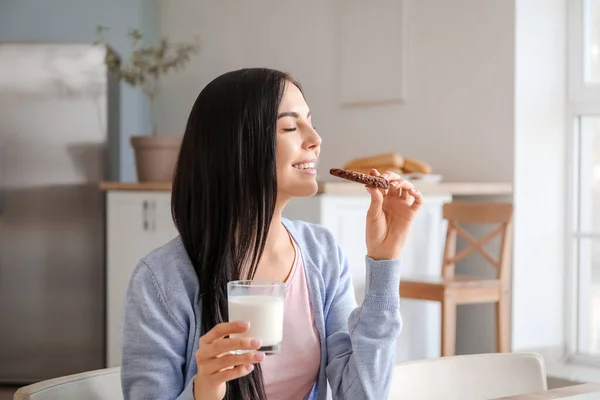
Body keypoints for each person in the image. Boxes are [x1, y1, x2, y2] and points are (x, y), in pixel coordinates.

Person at [120, 68, 422, 400]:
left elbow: (363, 394)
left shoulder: (321, 253)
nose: (315, 140)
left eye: (311, 122)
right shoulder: (162, 280)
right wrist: (203, 391)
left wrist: (384, 261)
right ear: (237, 147)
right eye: (291, 127)